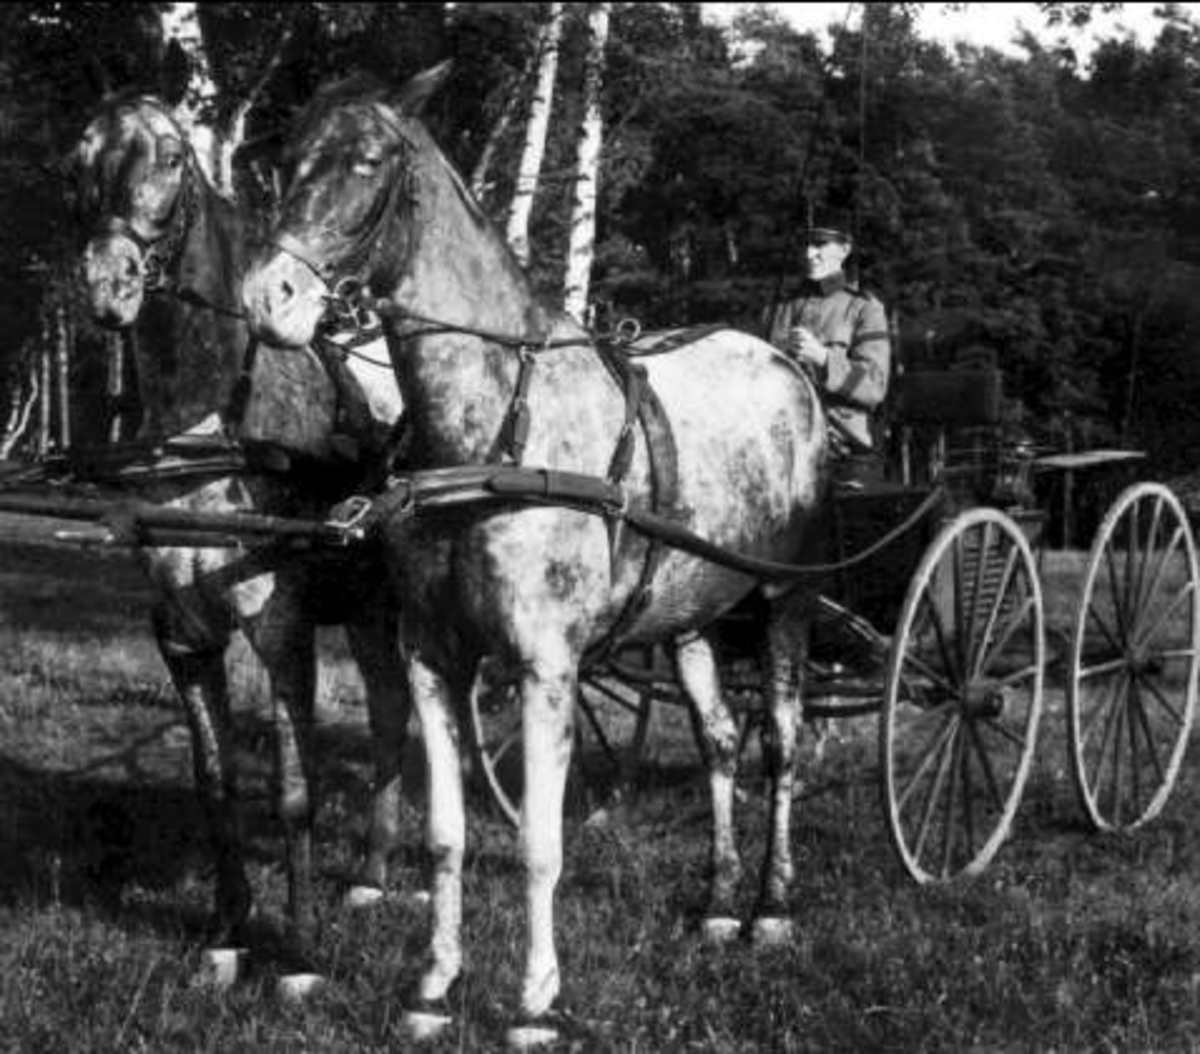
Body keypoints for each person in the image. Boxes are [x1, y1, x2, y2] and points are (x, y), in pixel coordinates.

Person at [765, 214, 892, 474]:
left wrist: (823, 358)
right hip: (781, 437)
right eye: (805, 245)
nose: (809, 254)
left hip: (841, 447)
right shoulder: (780, 308)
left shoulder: (864, 308)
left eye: (820, 244)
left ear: (844, 250)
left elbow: (874, 386)